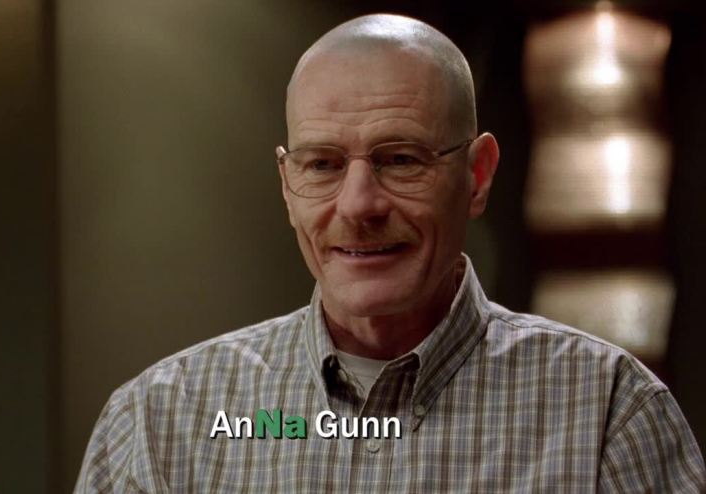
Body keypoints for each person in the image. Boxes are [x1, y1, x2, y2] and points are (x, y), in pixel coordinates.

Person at [74, 14, 705, 492]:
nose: (358, 205)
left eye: (401, 159)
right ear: (287, 187)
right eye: (322, 165)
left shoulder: (608, 414)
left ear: (478, 176)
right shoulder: (160, 423)